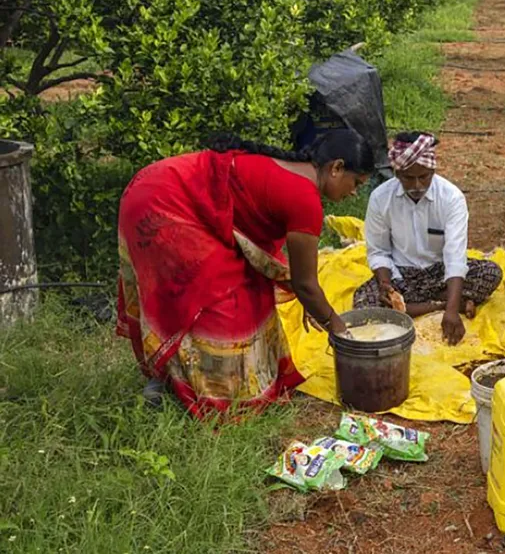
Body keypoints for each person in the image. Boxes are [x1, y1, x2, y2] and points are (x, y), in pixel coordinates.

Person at [116, 129, 375, 418]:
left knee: (251, 293)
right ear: (337, 168)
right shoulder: (305, 199)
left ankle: (176, 381)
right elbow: (306, 284)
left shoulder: (295, 175)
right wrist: (337, 326)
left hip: (161, 189)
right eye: (356, 183)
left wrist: (310, 301)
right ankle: (197, 395)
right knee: (212, 305)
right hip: (164, 204)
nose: (353, 192)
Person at [353, 132, 503, 345]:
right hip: (400, 276)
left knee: (491, 272)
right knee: (364, 303)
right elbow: (379, 251)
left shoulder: (451, 198)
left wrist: (450, 315)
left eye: (423, 177)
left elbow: (454, 258)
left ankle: (417, 307)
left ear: (433, 170)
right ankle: (439, 304)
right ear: (397, 173)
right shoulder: (380, 198)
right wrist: (386, 285)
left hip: (439, 273)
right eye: (408, 178)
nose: (416, 185)